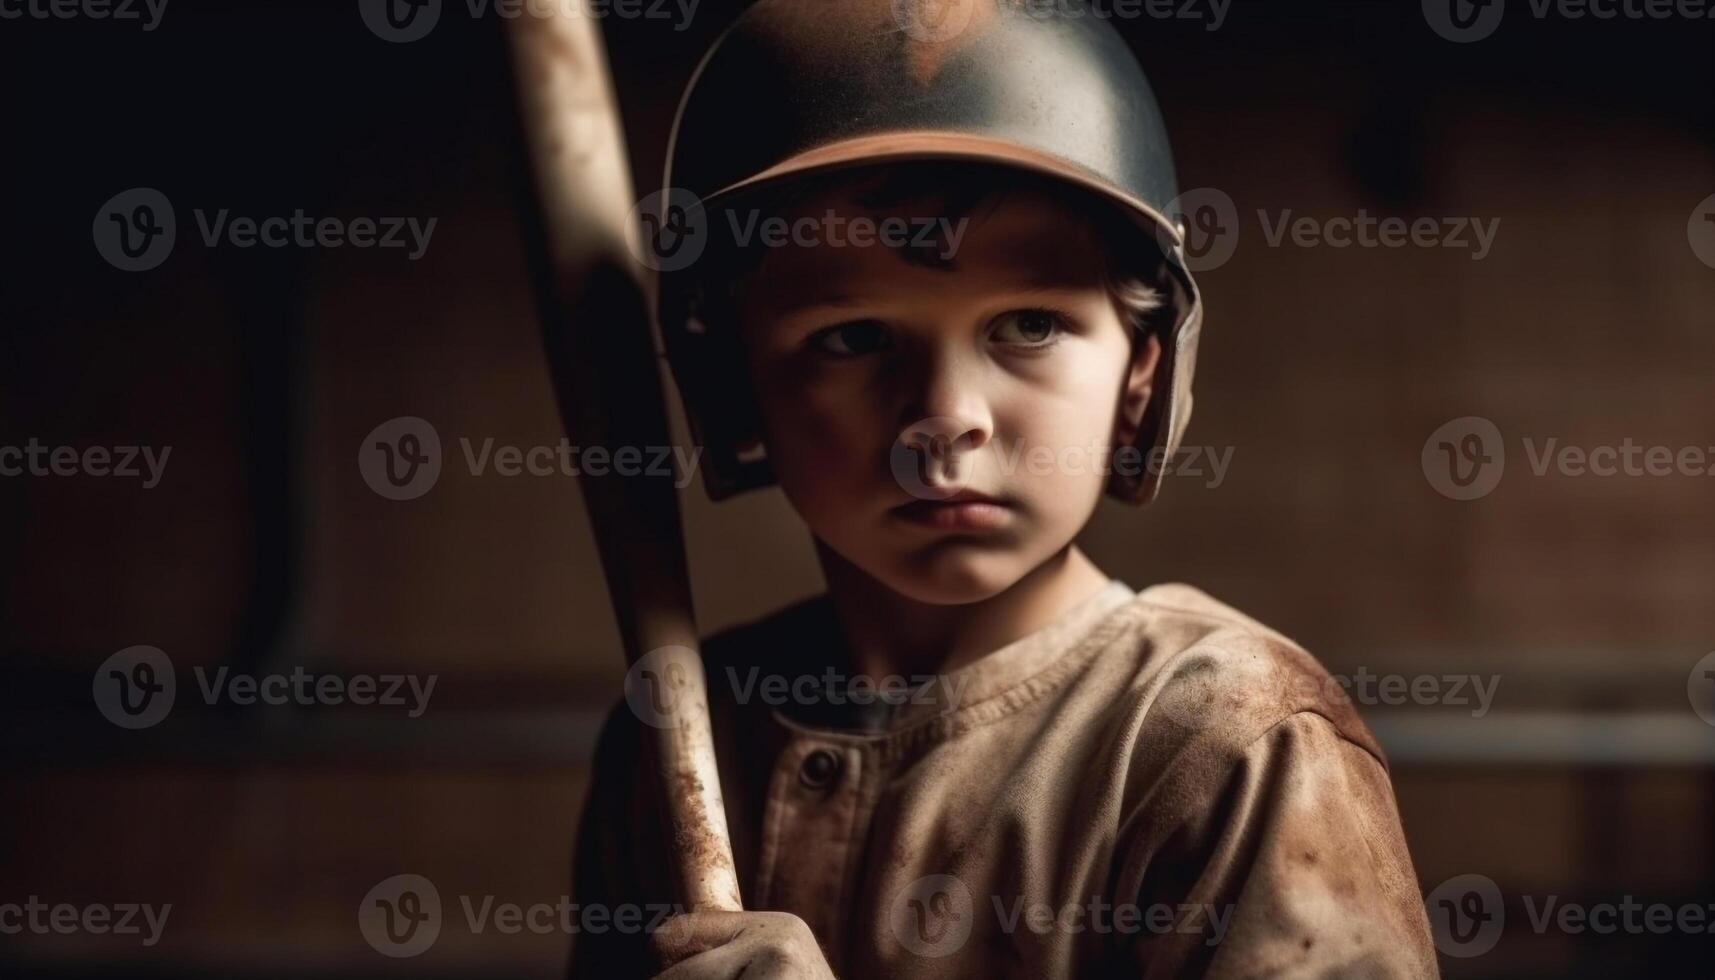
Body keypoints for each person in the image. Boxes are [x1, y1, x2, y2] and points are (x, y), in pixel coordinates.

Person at [571, 1, 1438, 976]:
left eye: (1026, 324)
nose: (945, 415)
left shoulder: (1233, 739)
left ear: (1141, 371)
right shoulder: (683, 735)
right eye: (852, 336)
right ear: (736, 385)